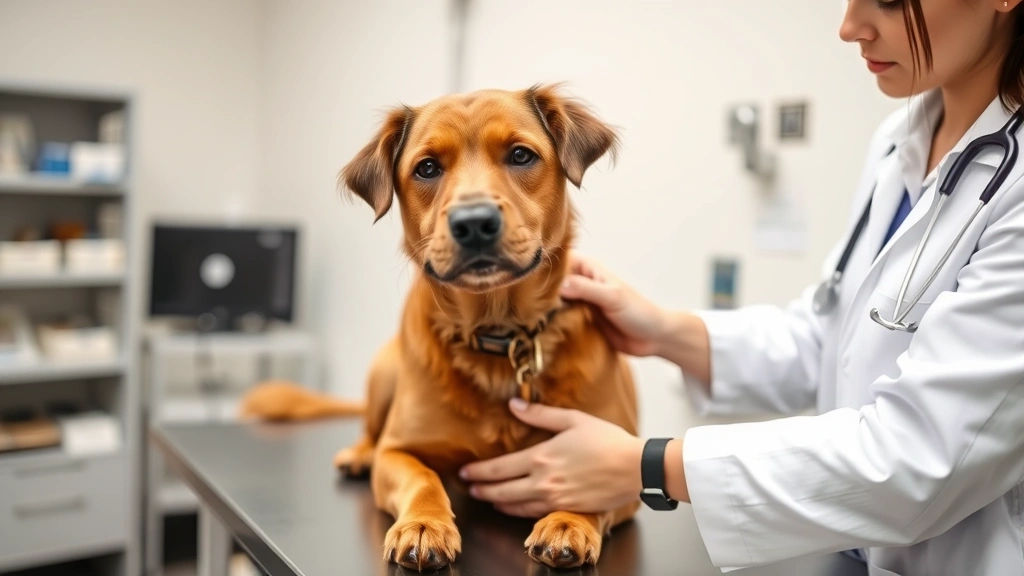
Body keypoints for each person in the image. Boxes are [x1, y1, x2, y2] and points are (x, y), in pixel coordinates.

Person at [457, 0, 1024, 573]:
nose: (850, 28)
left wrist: (649, 467)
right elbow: (833, 339)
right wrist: (664, 330)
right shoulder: (899, 138)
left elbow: (922, 457)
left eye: (889, 1)